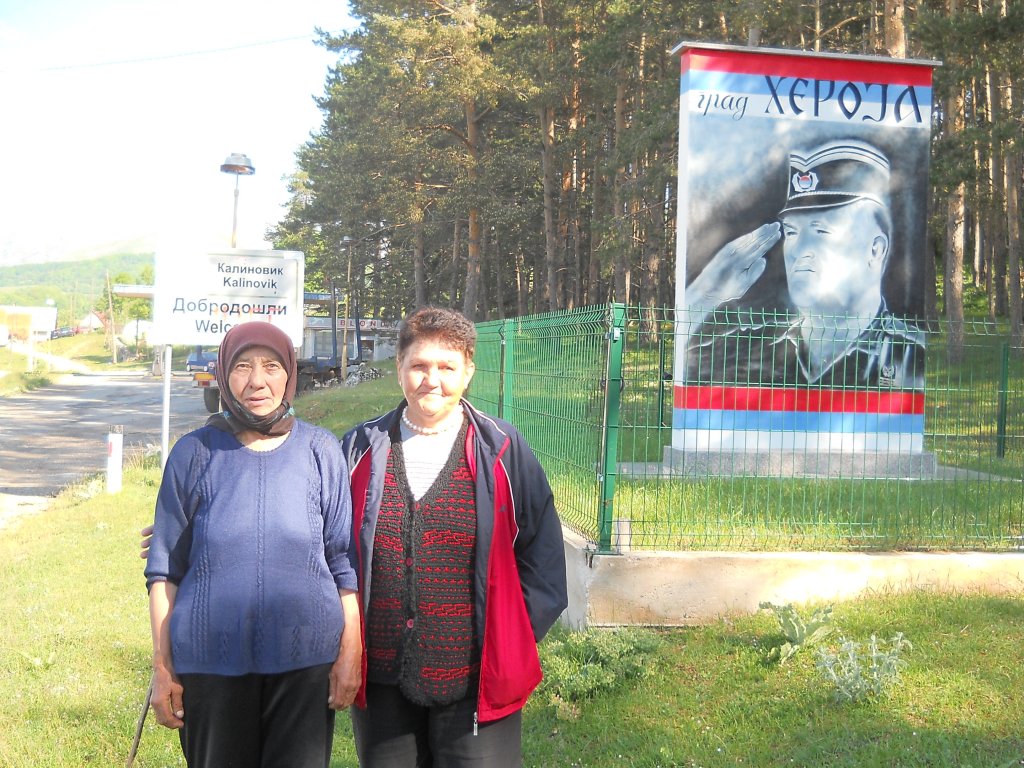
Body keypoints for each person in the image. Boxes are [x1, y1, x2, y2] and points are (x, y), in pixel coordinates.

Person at [341, 306, 568, 768]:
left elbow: (542, 554)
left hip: (476, 677)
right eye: (419, 366)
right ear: (399, 369)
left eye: (447, 367)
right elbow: (325, 543)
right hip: (381, 677)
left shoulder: (502, 450)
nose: (432, 380)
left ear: (468, 372)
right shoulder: (358, 448)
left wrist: (512, 634)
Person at [144, 321, 361, 768]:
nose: (257, 381)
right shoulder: (193, 453)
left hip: (305, 662)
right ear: (224, 374)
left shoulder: (321, 450)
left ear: (290, 374)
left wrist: (351, 651)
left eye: (271, 366)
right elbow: (164, 570)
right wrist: (162, 666)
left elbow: (343, 562)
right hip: (209, 662)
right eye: (242, 366)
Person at [684, 139, 925, 390]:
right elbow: (683, 372)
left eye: (821, 231)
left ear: (876, 250)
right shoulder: (756, 347)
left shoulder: (910, 356)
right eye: (792, 232)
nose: (799, 250)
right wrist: (705, 294)